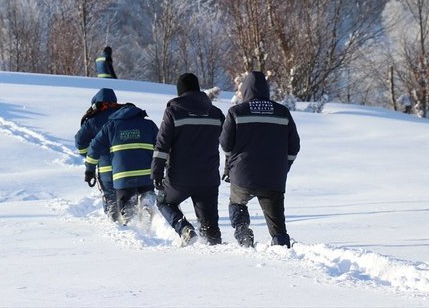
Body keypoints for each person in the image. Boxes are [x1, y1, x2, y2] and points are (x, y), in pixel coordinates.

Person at [220, 71, 300, 248]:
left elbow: (225, 144)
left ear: (245, 90)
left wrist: (232, 163)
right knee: (278, 225)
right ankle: (282, 246)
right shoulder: (282, 112)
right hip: (273, 179)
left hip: (242, 176)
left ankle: (242, 232)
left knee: (236, 203)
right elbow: (294, 146)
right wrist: (283, 166)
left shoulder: (236, 112)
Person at [151, 73, 225, 246]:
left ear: (180, 91)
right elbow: (229, 142)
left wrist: (156, 173)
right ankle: (218, 254)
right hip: (208, 178)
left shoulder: (173, 112)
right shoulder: (215, 113)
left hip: (179, 179)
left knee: (163, 202)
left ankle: (184, 229)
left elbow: (162, 146)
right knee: (210, 227)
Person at [86, 103, 158, 225]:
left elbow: (94, 147)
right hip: (146, 174)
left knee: (128, 212)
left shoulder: (111, 126)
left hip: (123, 177)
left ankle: (132, 225)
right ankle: (147, 203)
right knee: (147, 193)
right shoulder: (149, 125)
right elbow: (162, 146)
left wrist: (89, 170)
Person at [75, 88, 122, 221]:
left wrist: (91, 157)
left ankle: (116, 224)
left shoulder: (93, 120)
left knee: (110, 198)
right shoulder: (124, 116)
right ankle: (134, 222)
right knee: (128, 198)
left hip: (105, 168)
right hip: (126, 166)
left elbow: (80, 142)